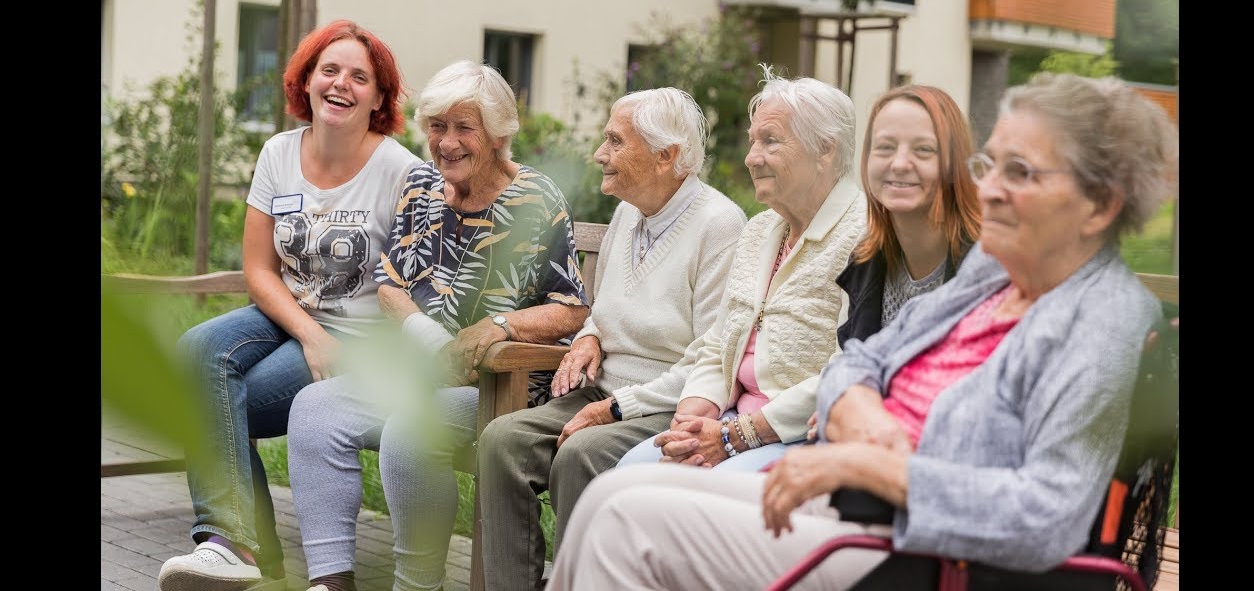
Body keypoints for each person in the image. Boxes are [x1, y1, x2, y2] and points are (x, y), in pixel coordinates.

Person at [544, 72, 1179, 590]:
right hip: (858, 503)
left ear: (1100, 205)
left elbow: (1047, 516)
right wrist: (862, 413)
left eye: (1023, 172)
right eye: (993, 164)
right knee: (615, 495)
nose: (990, 187)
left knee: (626, 522)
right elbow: (857, 360)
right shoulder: (996, 277)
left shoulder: (1104, 322)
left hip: (924, 551)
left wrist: (874, 469)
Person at [285, 60, 590, 591]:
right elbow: (391, 282)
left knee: (410, 428)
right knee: (314, 409)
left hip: (503, 386)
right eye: (437, 127)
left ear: (497, 136)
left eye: (463, 128)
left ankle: (417, 583)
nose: (446, 143)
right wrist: (430, 340)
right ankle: (330, 581)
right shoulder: (421, 185)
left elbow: (571, 307)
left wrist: (496, 327)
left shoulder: (535, 200)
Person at [157, 20, 423, 591]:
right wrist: (308, 332)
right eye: (329, 70)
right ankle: (236, 547)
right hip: (294, 319)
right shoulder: (278, 153)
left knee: (228, 404)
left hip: (359, 335)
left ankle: (238, 547)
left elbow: (414, 280)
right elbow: (259, 269)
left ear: (379, 98)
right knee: (194, 355)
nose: (341, 85)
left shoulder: (399, 170)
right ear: (306, 81)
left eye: (360, 77)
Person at [475, 88, 748, 590]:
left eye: (614, 142)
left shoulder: (720, 226)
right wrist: (590, 337)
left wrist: (617, 407)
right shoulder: (631, 211)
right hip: (604, 392)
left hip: (667, 404)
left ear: (666, 156)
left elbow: (714, 357)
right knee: (502, 441)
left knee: (583, 453)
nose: (600, 154)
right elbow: (608, 310)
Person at [615, 66, 869, 472]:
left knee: (702, 489)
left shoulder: (863, 235)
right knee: (634, 469)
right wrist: (692, 415)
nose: (752, 158)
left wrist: (739, 435)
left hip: (802, 434)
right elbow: (720, 343)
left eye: (770, 141)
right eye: (753, 141)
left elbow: (850, 369)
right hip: (729, 422)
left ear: (826, 150)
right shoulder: (761, 230)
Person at [835, 84, 981, 347]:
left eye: (924, 149)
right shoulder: (865, 261)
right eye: (885, 147)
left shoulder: (989, 265)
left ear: (954, 162)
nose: (900, 164)